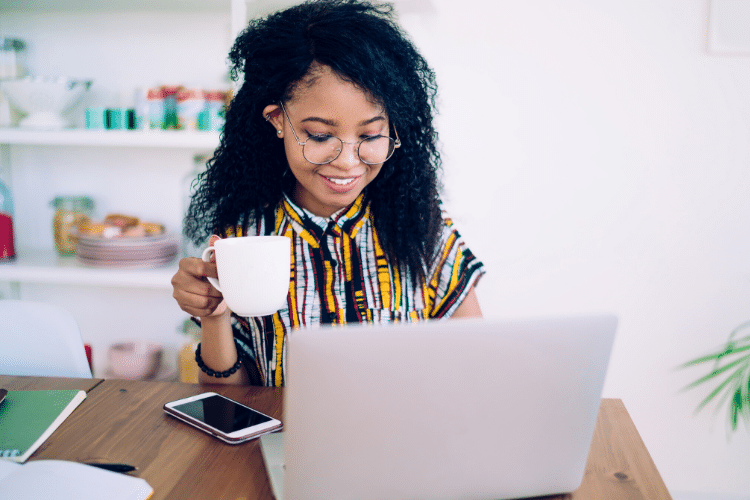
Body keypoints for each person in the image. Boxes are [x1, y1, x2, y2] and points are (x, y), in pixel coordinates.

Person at [171, 0, 485, 386]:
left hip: (404, 437)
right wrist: (213, 316)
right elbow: (228, 398)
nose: (348, 162)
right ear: (277, 120)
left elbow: (478, 360)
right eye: (320, 136)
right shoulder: (245, 236)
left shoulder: (422, 226)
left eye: (370, 136)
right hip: (290, 440)